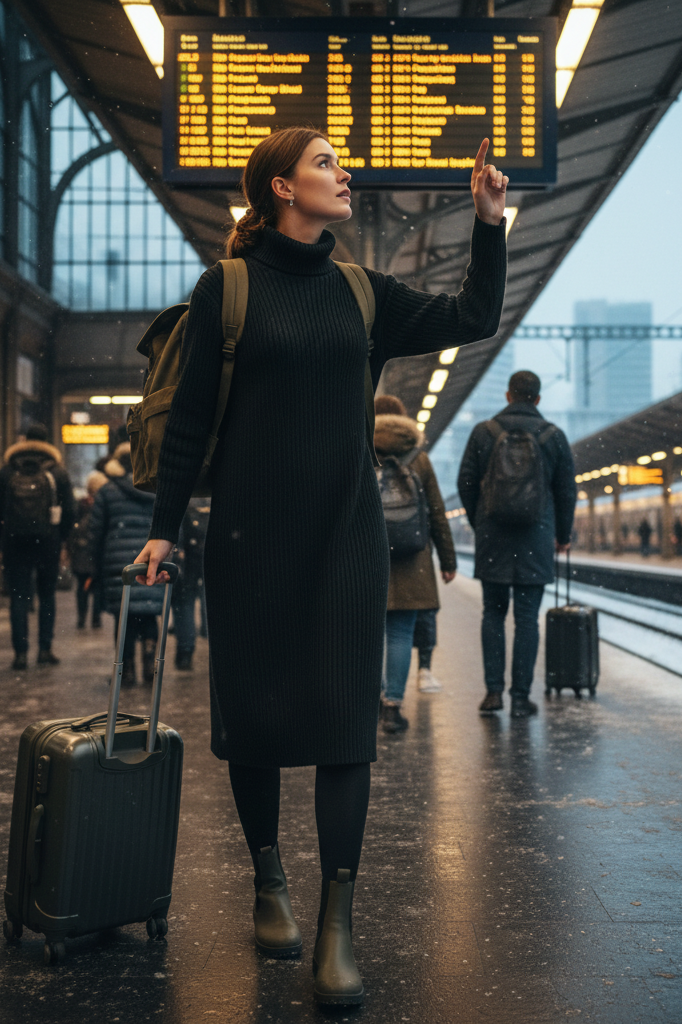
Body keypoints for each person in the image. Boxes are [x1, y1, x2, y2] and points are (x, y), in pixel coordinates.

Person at [135, 127, 507, 1005]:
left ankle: (336, 924)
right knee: (256, 721)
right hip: (249, 538)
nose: (344, 175)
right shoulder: (226, 288)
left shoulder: (362, 292)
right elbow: (188, 423)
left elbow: (472, 317)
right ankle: (269, 881)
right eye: (326, 163)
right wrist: (161, 529)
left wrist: (489, 223)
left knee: (346, 730)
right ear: (280, 190)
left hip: (346, 542)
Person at [458, 370, 576, 718]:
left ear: (509, 395)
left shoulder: (484, 432)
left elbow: (465, 481)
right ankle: (521, 698)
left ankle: (493, 693)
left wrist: (480, 519)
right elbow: (566, 490)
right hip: (536, 537)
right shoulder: (553, 436)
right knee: (527, 619)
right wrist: (563, 535)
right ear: (537, 399)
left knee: (493, 614)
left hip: (493, 536)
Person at [374, 395, 457, 733]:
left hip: (369, 555)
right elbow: (436, 511)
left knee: (368, 635)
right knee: (400, 634)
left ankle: (370, 704)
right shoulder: (418, 457)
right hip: (412, 556)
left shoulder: (359, 448)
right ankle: (392, 707)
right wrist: (448, 559)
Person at [88, 443, 165, 687]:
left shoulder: (108, 491)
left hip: (119, 566)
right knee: (150, 614)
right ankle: (150, 669)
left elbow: (95, 533)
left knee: (125, 620)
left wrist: (94, 565)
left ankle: (126, 671)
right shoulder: (159, 490)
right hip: (151, 562)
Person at [0, 423, 75, 670]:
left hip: (14, 542)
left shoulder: (7, 471)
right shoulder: (57, 472)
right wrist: (61, 538)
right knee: (47, 596)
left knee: (19, 598)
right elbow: (70, 512)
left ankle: (20, 654)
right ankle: (45, 649)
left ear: (23, 441)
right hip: (48, 542)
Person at [172, 498, 210, 670]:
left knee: (184, 605)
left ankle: (185, 652)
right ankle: (208, 637)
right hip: (208, 556)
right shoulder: (213, 495)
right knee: (207, 600)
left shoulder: (184, 500)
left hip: (187, 560)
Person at [70, 470, 108, 628]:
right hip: (98, 550)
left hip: (82, 551)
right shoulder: (104, 503)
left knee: (81, 586)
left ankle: (81, 617)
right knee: (98, 587)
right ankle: (96, 618)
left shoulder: (82, 504)